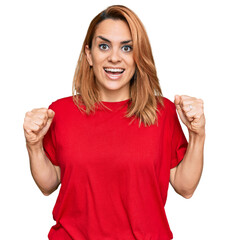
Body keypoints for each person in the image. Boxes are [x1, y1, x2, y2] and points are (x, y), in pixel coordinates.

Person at [23, 5, 206, 240]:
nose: (114, 57)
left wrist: (197, 135)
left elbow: (185, 187)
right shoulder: (60, 111)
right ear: (89, 54)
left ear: (138, 56)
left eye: (127, 48)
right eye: (104, 46)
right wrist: (34, 145)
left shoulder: (162, 112)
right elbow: (48, 185)